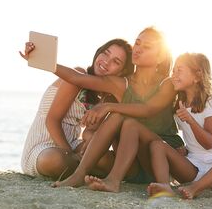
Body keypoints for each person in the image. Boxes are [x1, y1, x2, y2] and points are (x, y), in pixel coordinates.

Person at [47, 27, 184, 189]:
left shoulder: (167, 84)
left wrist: (109, 106)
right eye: (137, 43)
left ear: (160, 57)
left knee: (120, 116)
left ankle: (113, 181)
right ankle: (79, 175)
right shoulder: (121, 84)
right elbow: (77, 78)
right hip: (130, 162)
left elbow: (148, 109)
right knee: (113, 127)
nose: (138, 49)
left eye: (146, 47)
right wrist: (42, 59)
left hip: (159, 161)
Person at [19, 38, 134, 180]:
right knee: (57, 160)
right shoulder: (79, 75)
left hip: (73, 143)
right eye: (105, 53)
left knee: (105, 159)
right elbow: (52, 120)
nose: (106, 61)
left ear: (122, 71)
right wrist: (38, 57)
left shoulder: (107, 97)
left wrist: (89, 144)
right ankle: (83, 169)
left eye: (116, 62)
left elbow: (89, 133)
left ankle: (82, 168)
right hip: (44, 145)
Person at [145, 53, 212, 199]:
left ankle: (196, 188)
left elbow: (209, 143)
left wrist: (191, 120)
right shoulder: (179, 106)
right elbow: (192, 142)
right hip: (194, 168)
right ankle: (165, 186)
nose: (173, 75)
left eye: (179, 70)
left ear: (197, 76)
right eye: (173, 71)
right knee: (157, 145)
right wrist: (185, 149)